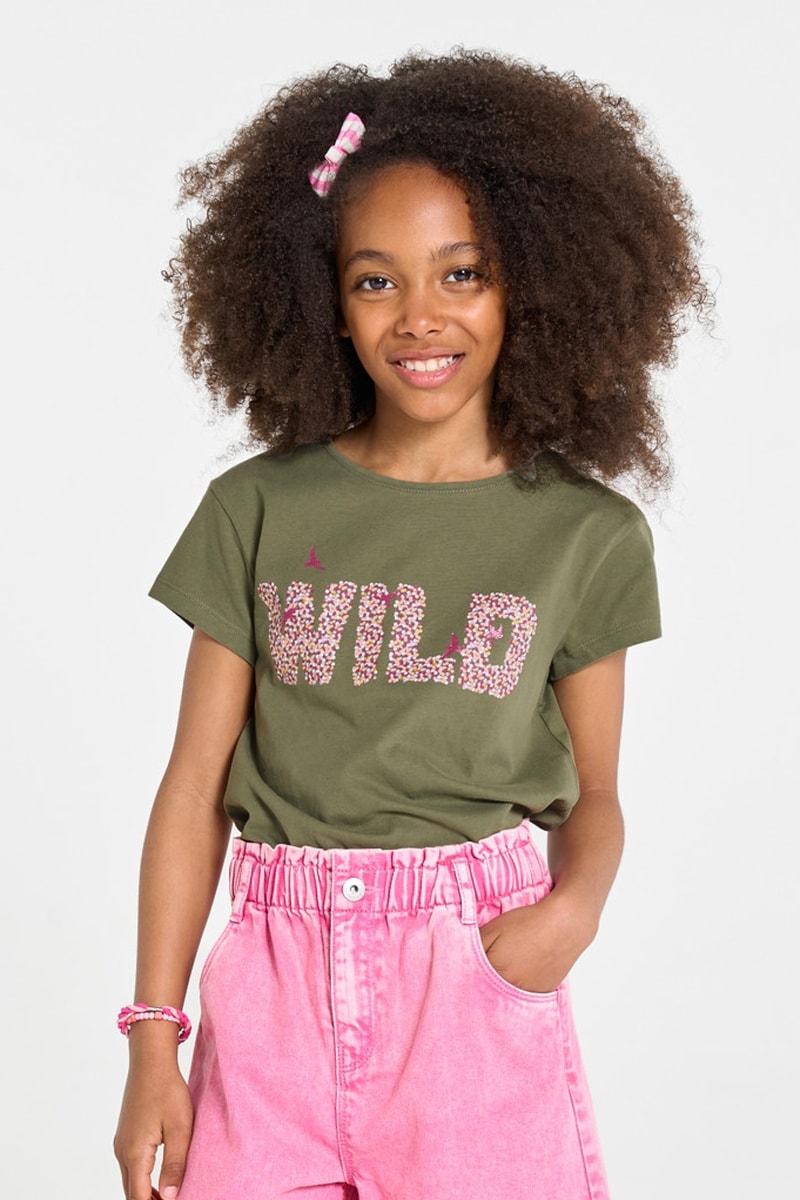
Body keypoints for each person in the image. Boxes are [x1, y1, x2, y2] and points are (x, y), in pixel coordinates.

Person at [113, 48, 708, 1200]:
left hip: (469, 982)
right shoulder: (257, 510)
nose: (419, 317)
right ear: (324, 304)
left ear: (529, 283)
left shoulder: (583, 534)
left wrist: (570, 916)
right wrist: (153, 1037)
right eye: (375, 280)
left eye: (461, 273)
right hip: (269, 997)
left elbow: (594, 793)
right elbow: (192, 787)